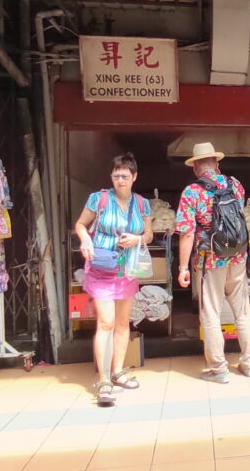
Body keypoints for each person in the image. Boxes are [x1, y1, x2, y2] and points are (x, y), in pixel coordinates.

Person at [73, 153, 153, 405]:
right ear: (111, 176)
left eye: (125, 176)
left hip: (127, 270)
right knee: (105, 322)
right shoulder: (99, 199)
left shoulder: (142, 204)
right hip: (100, 268)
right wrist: (85, 238)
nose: (120, 180)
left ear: (134, 177)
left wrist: (138, 239)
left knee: (122, 323)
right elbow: (80, 225)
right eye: (116, 175)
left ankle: (118, 371)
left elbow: (149, 234)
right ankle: (104, 379)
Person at [176, 142, 250, 384]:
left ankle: (219, 369)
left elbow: (187, 233)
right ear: (217, 164)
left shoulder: (192, 192)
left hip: (210, 260)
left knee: (210, 313)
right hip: (239, 257)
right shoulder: (235, 185)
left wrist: (182, 268)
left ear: (195, 167)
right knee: (242, 310)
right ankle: (248, 364)